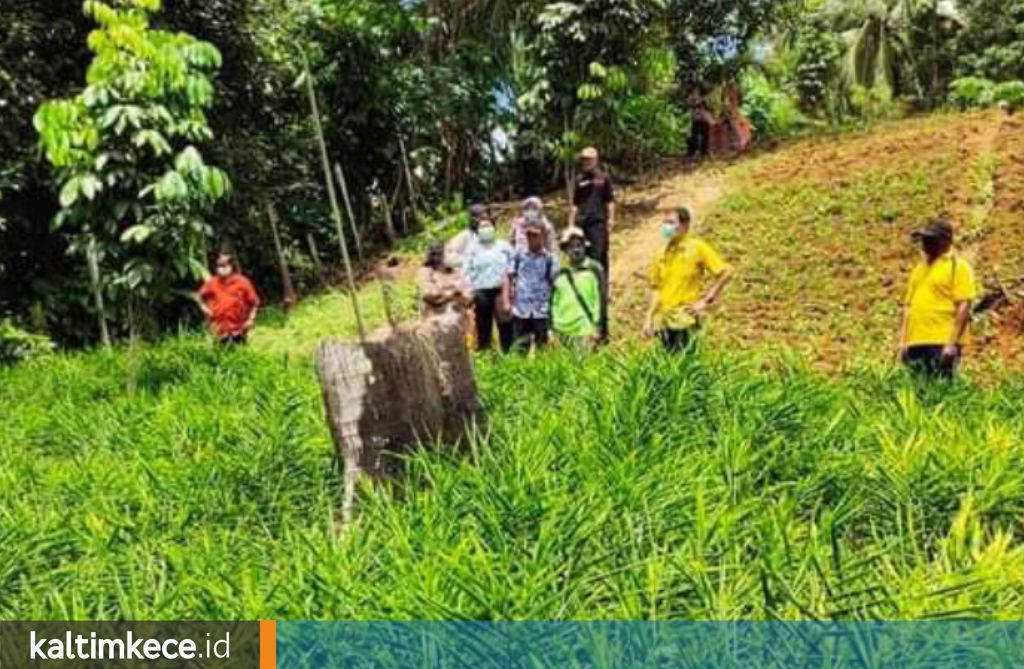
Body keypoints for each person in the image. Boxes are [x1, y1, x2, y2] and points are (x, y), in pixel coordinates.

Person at [643, 207, 732, 352]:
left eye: (671, 222)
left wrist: (706, 301)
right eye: (665, 223)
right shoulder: (661, 253)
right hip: (665, 321)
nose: (667, 227)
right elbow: (656, 289)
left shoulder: (697, 248)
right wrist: (649, 317)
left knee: (686, 364)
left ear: (685, 225)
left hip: (685, 319)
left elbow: (725, 272)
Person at [897, 218, 977, 379]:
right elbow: (908, 307)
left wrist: (951, 343)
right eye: (924, 240)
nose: (925, 244)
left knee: (941, 391)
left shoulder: (958, 267)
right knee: (918, 393)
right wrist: (903, 341)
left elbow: (963, 305)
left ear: (946, 241)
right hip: (916, 341)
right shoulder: (918, 270)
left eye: (930, 239)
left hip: (940, 341)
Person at [568, 146, 615, 339]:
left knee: (598, 260)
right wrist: (570, 225)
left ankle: (601, 288)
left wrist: (611, 220)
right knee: (582, 261)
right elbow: (574, 205)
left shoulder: (603, 178)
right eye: (583, 159)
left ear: (596, 159)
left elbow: (610, 202)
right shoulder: (579, 180)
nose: (586, 162)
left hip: (598, 224)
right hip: (582, 224)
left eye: (589, 159)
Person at [504, 219, 559, 353]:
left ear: (543, 236)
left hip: (541, 310)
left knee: (542, 348)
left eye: (535, 235)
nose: (531, 238)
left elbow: (555, 283)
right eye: (528, 235)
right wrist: (507, 301)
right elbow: (509, 277)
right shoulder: (519, 255)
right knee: (520, 347)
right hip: (521, 309)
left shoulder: (550, 258)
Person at [551, 227, 606, 350]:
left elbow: (600, 300)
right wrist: (551, 329)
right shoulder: (559, 273)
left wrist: (598, 327)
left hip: (585, 329)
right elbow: (552, 303)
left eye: (579, 246)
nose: (576, 250)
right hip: (561, 330)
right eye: (571, 247)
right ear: (565, 249)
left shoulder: (594, 269)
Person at [466, 218, 515, 352]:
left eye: (488, 225)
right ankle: (485, 354)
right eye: (482, 226)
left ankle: (509, 353)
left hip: (501, 290)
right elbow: (467, 270)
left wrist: (512, 287)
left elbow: (512, 266)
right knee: (483, 326)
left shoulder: (504, 246)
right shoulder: (472, 249)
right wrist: (469, 292)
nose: (485, 228)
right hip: (481, 292)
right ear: (477, 231)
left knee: (505, 324)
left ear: (494, 228)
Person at [197, 252, 260, 345]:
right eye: (219, 266)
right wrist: (205, 309)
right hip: (218, 331)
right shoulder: (212, 283)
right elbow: (199, 297)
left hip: (239, 330)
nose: (221, 269)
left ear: (230, 266)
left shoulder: (242, 282)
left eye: (224, 266)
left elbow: (255, 303)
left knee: (240, 356)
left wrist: (251, 319)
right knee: (219, 357)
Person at [418, 243, 473, 323]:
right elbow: (428, 293)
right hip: (437, 318)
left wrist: (460, 294)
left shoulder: (456, 271)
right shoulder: (426, 272)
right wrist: (452, 293)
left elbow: (468, 294)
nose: (453, 255)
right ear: (436, 256)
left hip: (460, 315)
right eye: (449, 252)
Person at [445, 203, 489, 270]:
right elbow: (448, 259)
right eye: (482, 219)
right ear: (473, 220)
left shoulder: (488, 237)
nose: (485, 222)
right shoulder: (465, 236)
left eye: (486, 219)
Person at [686, 86, 713, 163]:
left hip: (705, 119)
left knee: (705, 137)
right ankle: (691, 153)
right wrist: (697, 104)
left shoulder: (708, 97)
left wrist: (705, 104)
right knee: (694, 136)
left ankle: (703, 153)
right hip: (697, 119)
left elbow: (711, 107)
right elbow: (689, 103)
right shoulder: (694, 96)